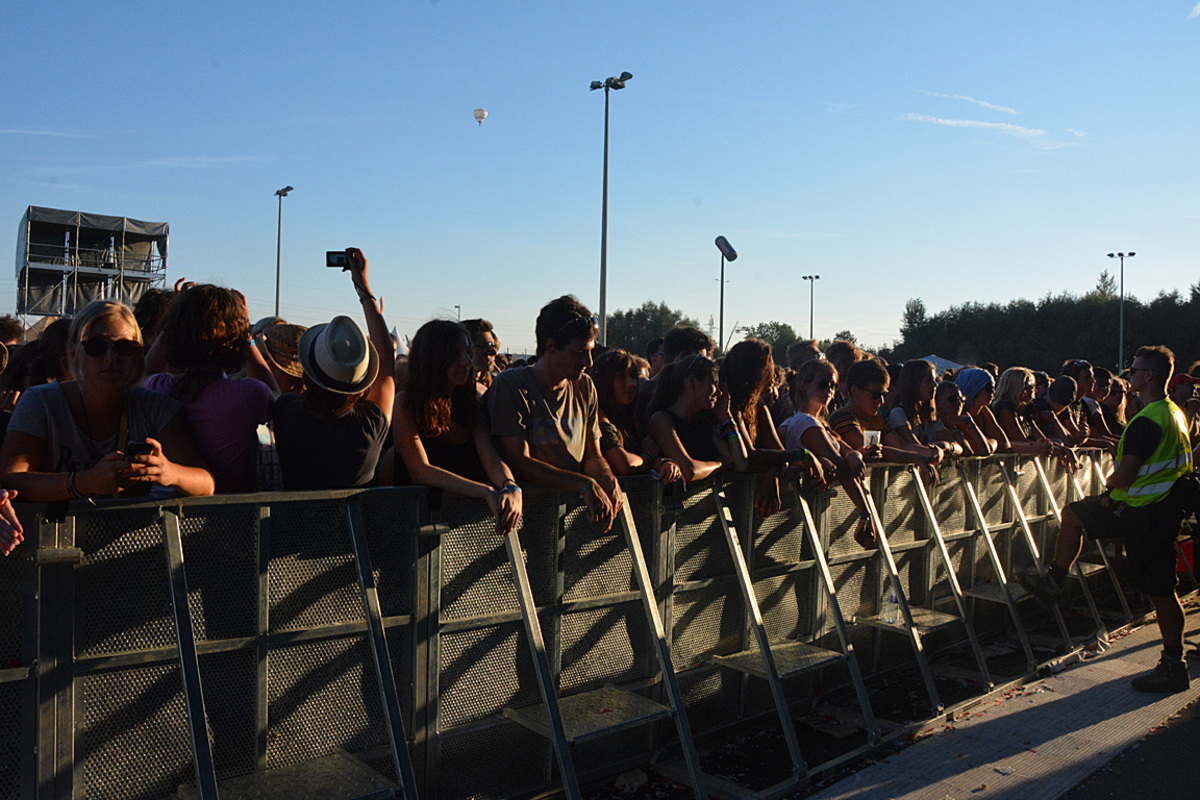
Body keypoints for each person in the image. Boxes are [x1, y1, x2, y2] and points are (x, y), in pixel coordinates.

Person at [1022, 346, 1195, 693]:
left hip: (1144, 512)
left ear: (1148, 376)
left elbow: (1128, 473)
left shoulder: (1147, 420)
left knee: (1161, 593)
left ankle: (1174, 665)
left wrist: (1110, 482)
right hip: (1151, 509)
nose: (1128, 375)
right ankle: (1055, 580)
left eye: (1133, 370)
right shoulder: (1173, 412)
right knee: (1074, 514)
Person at [0, 300, 214, 501]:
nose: (110, 358)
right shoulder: (41, 401)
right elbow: (12, 478)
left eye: (124, 347)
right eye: (96, 347)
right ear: (73, 352)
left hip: (127, 537)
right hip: (53, 535)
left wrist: (169, 472)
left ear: (138, 354)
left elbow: (206, 484)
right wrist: (85, 482)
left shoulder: (155, 407)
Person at [488, 296, 623, 531]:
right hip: (520, 522)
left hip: (571, 519)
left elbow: (593, 455)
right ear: (550, 347)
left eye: (590, 351)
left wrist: (606, 477)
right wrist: (582, 484)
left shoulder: (585, 386)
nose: (588, 362)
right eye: (579, 352)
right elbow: (519, 461)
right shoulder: (512, 385)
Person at [274, 248, 395, 490]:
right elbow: (386, 360)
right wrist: (363, 286)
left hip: (293, 526)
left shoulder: (286, 412)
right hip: (355, 527)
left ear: (306, 373)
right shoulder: (370, 426)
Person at [143, 284, 275, 494]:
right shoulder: (249, 394)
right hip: (230, 515)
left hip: (171, 516)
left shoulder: (157, 387)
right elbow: (274, 393)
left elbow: (147, 370)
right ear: (236, 340)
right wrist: (245, 333)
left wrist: (173, 321)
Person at [394, 319, 521, 533]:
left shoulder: (472, 403)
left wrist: (510, 486)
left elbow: (490, 459)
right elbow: (420, 471)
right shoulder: (405, 403)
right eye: (455, 355)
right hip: (412, 526)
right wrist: (485, 491)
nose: (466, 362)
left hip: (457, 528)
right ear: (432, 360)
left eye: (467, 352)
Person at [778, 357, 878, 549]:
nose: (829, 391)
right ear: (803, 386)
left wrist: (855, 456)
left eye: (832, 386)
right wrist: (865, 514)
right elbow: (841, 466)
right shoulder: (805, 423)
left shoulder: (818, 423)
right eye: (822, 384)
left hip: (812, 512)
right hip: (802, 512)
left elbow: (849, 452)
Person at [647, 353, 748, 483]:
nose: (719, 392)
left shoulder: (703, 422)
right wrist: (720, 464)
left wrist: (726, 417)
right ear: (692, 382)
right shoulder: (662, 420)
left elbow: (740, 464)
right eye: (714, 383)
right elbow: (690, 471)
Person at [589, 348, 681, 483]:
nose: (631, 384)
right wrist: (648, 458)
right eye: (621, 377)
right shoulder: (597, 416)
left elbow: (646, 452)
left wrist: (663, 464)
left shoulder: (631, 418)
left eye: (633, 376)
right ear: (604, 381)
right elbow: (624, 464)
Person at [461, 318, 499, 394]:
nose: (495, 352)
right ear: (468, 348)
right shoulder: (450, 390)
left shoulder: (495, 384)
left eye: (494, 345)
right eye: (488, 346)